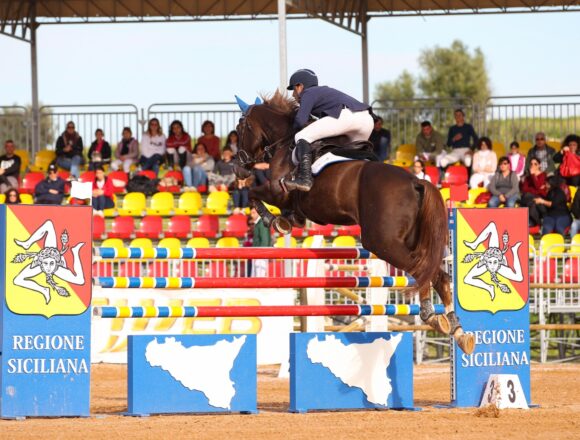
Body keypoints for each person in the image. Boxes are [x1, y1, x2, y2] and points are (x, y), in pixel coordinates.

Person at [285, 68, 373, 192]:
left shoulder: (308, 92)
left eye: (293, 90)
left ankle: (305, 179)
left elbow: (300, 120)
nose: (293, 95)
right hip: (366, 121)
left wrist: (289, 132)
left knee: (301, 136)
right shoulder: (322, 92)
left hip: (347, 116)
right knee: (351, 160)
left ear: (300, 86)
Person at [519, 158, 548, 227]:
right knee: (528, 197)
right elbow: (524, 189)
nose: (533, 165)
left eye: (535, 164)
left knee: (532, 205)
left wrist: (533, 175)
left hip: (538, 197)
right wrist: (535, 190)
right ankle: (540, 223)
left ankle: (538, 223)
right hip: (530, 197)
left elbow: (537, 186)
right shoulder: (527, 177)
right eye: (531, 164)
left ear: (539, 165)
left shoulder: (543, 175)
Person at [249, 207, 271, 277]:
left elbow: (264, 240)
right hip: (259, 253)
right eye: (251, 213)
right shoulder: (259, 223)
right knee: (259, 273)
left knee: (260, 273)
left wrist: (260, 254)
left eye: (254, 213)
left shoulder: (261, 223)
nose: (252, 215)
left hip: (260, 253)